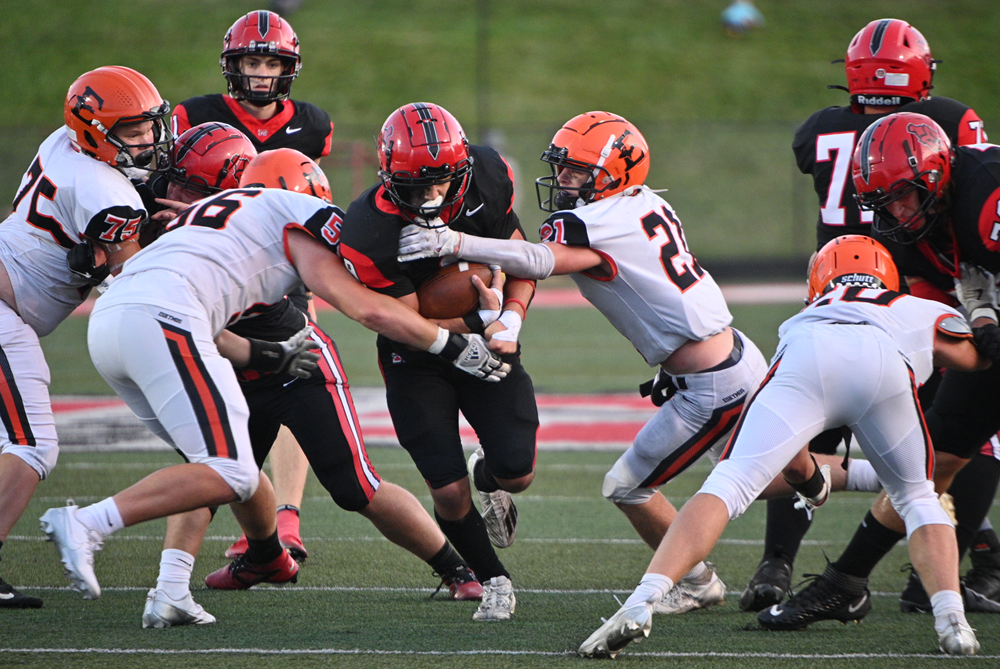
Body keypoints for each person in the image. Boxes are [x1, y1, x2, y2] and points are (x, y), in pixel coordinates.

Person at [398, 111, 874, 615]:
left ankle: (694, 581)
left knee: (628, 486)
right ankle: (878, 480)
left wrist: (457, 243)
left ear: (613, 175)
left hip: (708, 381)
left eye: (579, 171)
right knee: (756, 475)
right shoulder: (643, 203)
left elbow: (538, 261)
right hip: (730, 354)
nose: (564, 180)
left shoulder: (596, 222)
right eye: (562, 167)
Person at [38, 154, 510, 610]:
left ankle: (454, 569)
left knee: (329, 483)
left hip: (270, 359)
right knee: (220, 470)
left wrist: (267, 354)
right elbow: (364, 306)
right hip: (198, 340)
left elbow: (215, 307)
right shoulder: (295, 219)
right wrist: (452, 344)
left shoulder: (212, 220)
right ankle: (138, 554)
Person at [577, 235, 986, 657]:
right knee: (919, 498)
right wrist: (982, 313)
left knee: (728, 483)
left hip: (809, 355)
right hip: (884, 359)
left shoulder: (807, 315)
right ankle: (953, 624)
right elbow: (975, 359)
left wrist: (809, 483)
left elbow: (792, 461)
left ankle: (642, 601)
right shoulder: (915, 306)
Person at [745, 17, 994, 613]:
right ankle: (896, 574)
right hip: (905, 286)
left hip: (838, 281)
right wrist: (970, 319)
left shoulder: (979, 190)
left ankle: (793, 565)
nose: (887, 205)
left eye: (898, 194)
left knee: (826, 419)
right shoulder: (929, 175)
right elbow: (952, 268)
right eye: (876, 195)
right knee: (943, 447)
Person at [339, 102, 539, 622]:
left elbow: (518, 255)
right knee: (448, 491)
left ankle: (490, 477)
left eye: (441, 183)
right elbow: (408, 322)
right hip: (415, 358)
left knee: (518, 473)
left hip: (487, 333)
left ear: (464, 171)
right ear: (388, 178)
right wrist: (478, 321)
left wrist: (510, 318)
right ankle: (493, 580)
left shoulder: (488, 175)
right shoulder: (367, 228)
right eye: (415, 186)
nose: (430, 195)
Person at [0, 65, 171, 609]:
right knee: (31, 445)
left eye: (150, 126)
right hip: (5, 313)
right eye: (132, 131)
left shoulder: (63, 143)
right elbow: (137, 286)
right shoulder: (106, 190)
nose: (148, 140)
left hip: (11, 301)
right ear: (95, 130)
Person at [172, 8, 335, 561]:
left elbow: (310, 193)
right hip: (213, 264)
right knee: (214, 394)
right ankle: (206, 532)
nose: (261, 73)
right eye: (250, 60)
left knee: (298, 378)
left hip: (281, 264)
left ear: (288, 68)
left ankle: (285, 517)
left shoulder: (313, 123)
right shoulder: (193, 115)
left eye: (270, 61)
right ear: (230, 64)